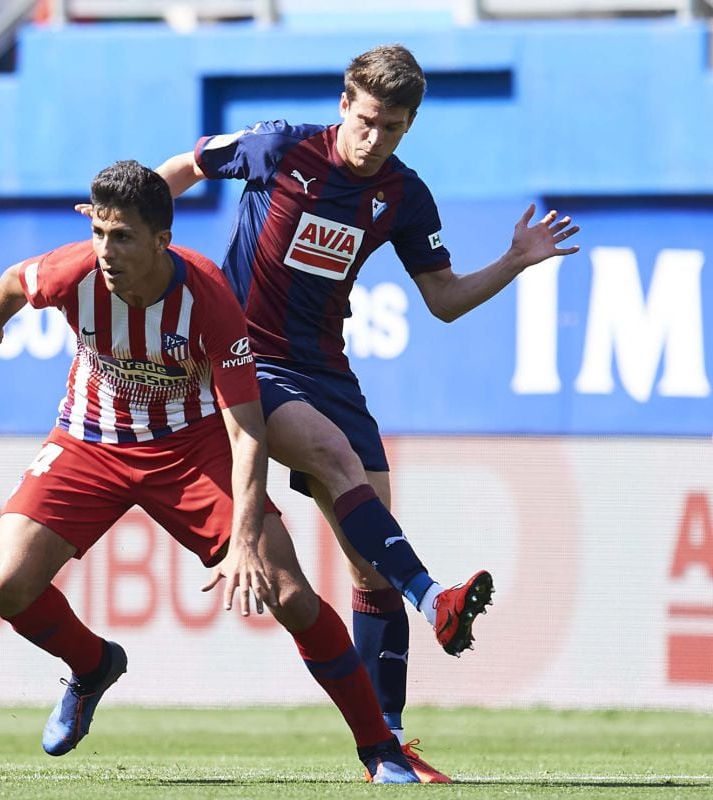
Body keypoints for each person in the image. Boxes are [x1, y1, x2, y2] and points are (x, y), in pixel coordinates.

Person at [154, 44, 581, 782]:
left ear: (408, 128)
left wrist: (514, 262)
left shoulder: (406, 197)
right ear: (344, 102)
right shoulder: (280, 146)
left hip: (326, 369)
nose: (373, 138)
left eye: (392, 128)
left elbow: (443, 300)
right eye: (366, 120)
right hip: (244, 356)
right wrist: (138, 226)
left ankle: (387, 748)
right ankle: (436, 597)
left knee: (370, 566)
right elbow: (188, 166)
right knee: (334, 460)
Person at [0, 160, 422, 783]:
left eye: (121, 237)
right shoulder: (74, 271)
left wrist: (247, 541)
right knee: (3, 584)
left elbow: (247, 428)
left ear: (161, 240)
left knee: (289, 594)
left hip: (190, 447)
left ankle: (380, 751)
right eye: (100, 233)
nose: (106, 251)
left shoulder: (207, 296)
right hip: (90, 440)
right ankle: (93, 666)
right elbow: (17, 283)